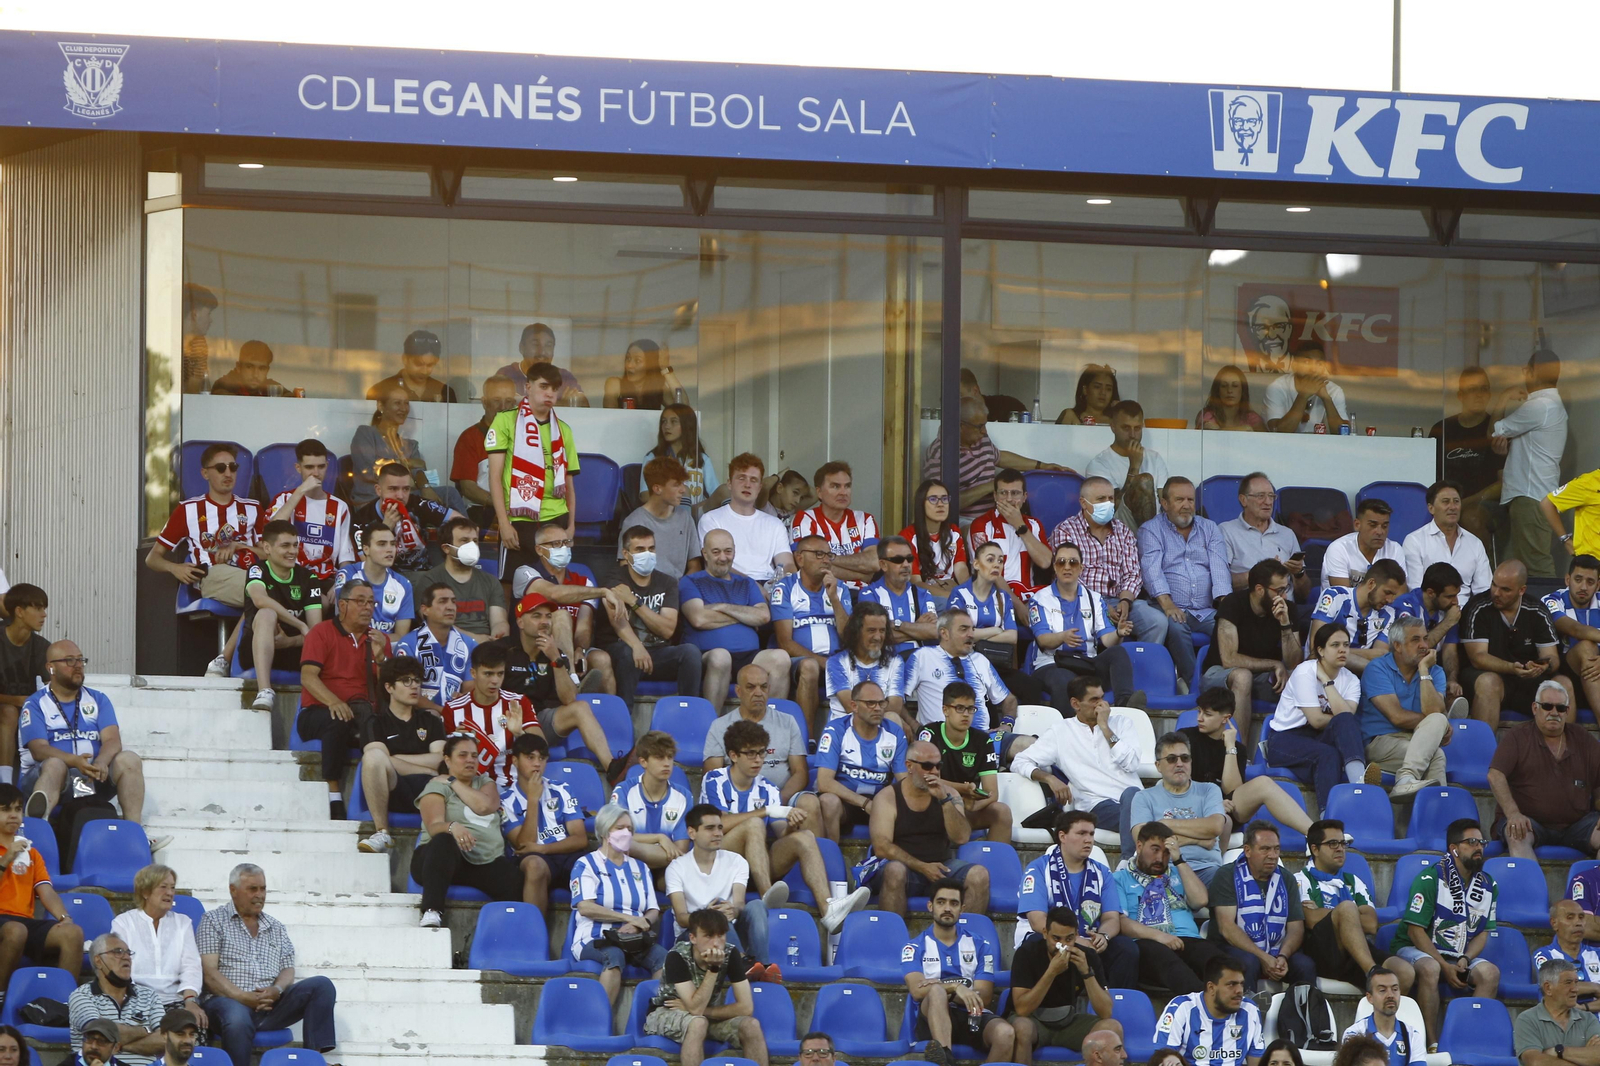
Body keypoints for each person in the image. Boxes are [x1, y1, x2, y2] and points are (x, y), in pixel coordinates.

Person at [698, 719, 866, 931]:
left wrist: (791, 825)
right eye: (750, 753)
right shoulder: (714, 779)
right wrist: (764, 812)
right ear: (733, 755)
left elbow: (781, 834)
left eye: (761, 753)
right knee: (754, 824)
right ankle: (767, 895)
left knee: (804, 836)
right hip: (718, 863)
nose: (757, 759)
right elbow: (718, 824)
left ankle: (829, 908)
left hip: (754, 867)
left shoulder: (768, 788)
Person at [21, 643, 165, 846]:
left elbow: (113, 740)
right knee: (54, 764)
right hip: (52, 778)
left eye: (80, 660)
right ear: (50, 668)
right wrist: (74, 761)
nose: (78, 665)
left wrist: (101, 762)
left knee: (129, 760)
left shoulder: (98, 699)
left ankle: (134, 836)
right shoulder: (36, 703)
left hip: (92, 778)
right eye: (69, 660)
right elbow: (38, 749)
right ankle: (37, 836)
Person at [198, 863, 338, 1066]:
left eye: (263, 888)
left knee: (321, 986)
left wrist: (277, 989)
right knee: (236, 1017)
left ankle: (313, 1060)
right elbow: (209, 973)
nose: (260, 895)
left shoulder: (276, 927)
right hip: (227, 1003)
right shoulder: (213, 920)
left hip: (269, 1006)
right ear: (233, 890)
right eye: (252, 889)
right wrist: (243, 997)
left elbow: (288, 969)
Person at [146, 442, 264, 676]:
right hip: (213, 575)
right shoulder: (189, 510)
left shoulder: (252, 509)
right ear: (205, 473)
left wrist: (239, 545)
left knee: (267, 595)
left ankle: (224, 659)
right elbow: (152, 558)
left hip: (255, 574)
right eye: (220, 468)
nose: (228, 473)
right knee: (266, 592)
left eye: (233, 467)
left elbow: (268, 553)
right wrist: (175, 567)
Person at [1390, 818, 1499, 1046]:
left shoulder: (1489, 885)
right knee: (1430, 968)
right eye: (1472, 842)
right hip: (1414, 948)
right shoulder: (1430, 879)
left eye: (1482, 842)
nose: (1479, 847)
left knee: (1490, 973)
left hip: (1457, 952)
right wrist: (1442, 964)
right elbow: (1415, 931)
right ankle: (1430, 1043)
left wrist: (1465, 958)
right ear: (1454, 849)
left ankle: (1465, 1040)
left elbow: (1482, 933)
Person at [486, 594, 618, 778]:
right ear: (520, 622)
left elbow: (569, 699)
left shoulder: (555, 653)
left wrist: (555, 659)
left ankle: (613, 768)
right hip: (506, 718)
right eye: (537, 616)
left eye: (548, 617)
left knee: (580, 707)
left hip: (540, 718)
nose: (544, 621)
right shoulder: (501, 650)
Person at [858, 739, 991, 917]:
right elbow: (881, 847)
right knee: (894, 871)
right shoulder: (888, 797)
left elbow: (961, 837)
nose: (934, 772)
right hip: (903, 867)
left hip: (941, 865)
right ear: (909, 766)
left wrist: (944, 800)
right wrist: (922, 867)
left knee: (979, 875)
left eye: (938, 766)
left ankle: (969, 939)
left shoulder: (950, 794)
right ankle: (891, 938)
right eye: (928, 766)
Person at [296, 579, 391, 819]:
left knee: (383, 724)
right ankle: (334, 794)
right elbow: (308, 677)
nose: (368, 607)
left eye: (371, 602)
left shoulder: (379, 639)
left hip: (362, 712)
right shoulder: (321, 632)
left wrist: (381, 659)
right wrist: (334, 702)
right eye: (360, 601)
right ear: (342, 605)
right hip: (317, 712)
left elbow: (389, 688)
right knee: (337, 719)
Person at [1049, 477, 1170, 660]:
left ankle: (1141, 671)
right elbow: (1068, 576)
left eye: (1111, 499)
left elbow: (1133, 573)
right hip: (1081, 602)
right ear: (1083, 503)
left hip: (1119, 600)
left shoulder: (1123, 531)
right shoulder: (1066, 531)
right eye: (1100, 499)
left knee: (1157, 622)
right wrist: (1101, 605)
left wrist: (1125, 601)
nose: (1108, 504)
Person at [411, 734, 524, 927]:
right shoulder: (436, 785)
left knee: (514, 876)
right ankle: (431, 911)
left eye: (474, 755)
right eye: (463, 755)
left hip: (483, 861)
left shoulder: (485, 782)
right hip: (439, 860)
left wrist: (453, 781)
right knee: (443, 840)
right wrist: (452, 827)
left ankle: (508, 929)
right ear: (447, 759)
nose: (470, 760)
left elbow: (484, 806)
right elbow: (434, 825)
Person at [902, 878, 1016, 1066]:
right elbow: (917, 990)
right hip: (931, 1018)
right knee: (935, 992)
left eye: (953, 903)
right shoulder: (913, 947)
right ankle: (946, 1058)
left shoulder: (980, 945)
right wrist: (956, 986)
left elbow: (984, 996)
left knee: (1006, 1033)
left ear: (962, 908)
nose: (947, 908)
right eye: (941, 902)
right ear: (930, 906)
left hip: (971, 1015)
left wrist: (950, 991)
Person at [1017, 810, 1134, 986]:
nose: (1089, 840)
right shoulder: (1039, 869)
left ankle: (1115, 1002)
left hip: (1090, 939)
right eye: (1081, 833)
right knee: (1038, 944)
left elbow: (1111, 917)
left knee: (1126, 948)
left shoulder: (1102, 872)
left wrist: (1104, 936)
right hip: (1052, 938)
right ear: (1062, 836)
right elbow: (1037, 920)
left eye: (1092, 834)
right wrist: (1075, 940)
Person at [1112, 822, 1229, 995]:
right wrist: (1161, 936)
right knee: (1168, 961)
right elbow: (1121, 922)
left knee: (1219, 962)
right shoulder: (1120, 878)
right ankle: (1203, 1005)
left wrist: (1179, 860)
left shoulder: (1177, 873)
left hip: (1187, 939)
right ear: (1139, 845)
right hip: (1147, 942)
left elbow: (1201, 900)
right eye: (1154, 849)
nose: (1160, 858)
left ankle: (1240, 1002)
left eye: (1166, 852)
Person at [1180, 687, 1315, 838]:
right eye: (1199, 711)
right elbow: (1179, 782)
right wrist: (1212, 804)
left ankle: (1315, 833)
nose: (1200, 718)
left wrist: (1230, 747)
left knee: (1263, 783)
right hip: (1194, 805)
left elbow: (1232, 789)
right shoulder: (1185, 738)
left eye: (1207, 714)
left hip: (1228, 808)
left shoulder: (1238, 749)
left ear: (1225, 718)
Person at [486, 361, 581, 575]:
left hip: (556, 516)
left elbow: (569, 484)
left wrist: (572, 525)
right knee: (512, 583)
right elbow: (495, 477)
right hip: (520, 518)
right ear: (528, 387)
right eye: (544, 386)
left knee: (554, 581)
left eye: (555, 389)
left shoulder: (563, 430)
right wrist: (503, 522)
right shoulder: (505, 421)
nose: (550, 394)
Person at [1012, 677, 1142, 834]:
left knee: (1135, 801)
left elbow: (1132, 764)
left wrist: (1105, 728)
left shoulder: (1122, 723)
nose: (1102, 705)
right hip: (1096, 804)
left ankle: (1128, 858)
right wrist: (1050, 778)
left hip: (1134, 799)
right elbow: (1020, 761)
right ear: (1075, 704)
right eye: (1094, 700)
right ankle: (1130, 856)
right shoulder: (1061, 731)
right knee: (1140, 819)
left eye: (1102, 698)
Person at [1297, 819, 1415, 991]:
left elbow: (1371, 925)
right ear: (1315, 849)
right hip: (1322, 952)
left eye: (1343, 843)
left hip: (1356, 951)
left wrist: (1341, 917)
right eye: (1332, 843)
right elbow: (1311, 920)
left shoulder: (1354, 882)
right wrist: (1345, 913)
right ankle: (1372, 972)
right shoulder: (1301, 879)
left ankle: (1380, 1015)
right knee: (1347, 907)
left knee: (1404, 972)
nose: (1340, 848)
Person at [569, 803, 669, 1002]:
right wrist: (627, 918)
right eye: (620, 828)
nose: (626, 833)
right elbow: (585, 906)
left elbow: (652, 910)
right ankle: (600, 1021)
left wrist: (641, 923)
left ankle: (656, 1015)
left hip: (634, 938)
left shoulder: (641, 868)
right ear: (605, 831)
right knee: (614, 956)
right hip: (595, 937)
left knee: (665, 958)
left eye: (630, 829)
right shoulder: (586, 864)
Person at [1489, 680, 1600, 859]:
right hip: (1529, 822)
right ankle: (1531, 887)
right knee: (1517, 833)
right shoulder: (1517, 736)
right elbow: (1495, 775)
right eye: (1547, 706)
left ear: (1567, 711)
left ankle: (1595, 887)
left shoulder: (1583, 739)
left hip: (1577, 825)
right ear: (1535, 708)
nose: (1554, 713)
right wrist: (1513, 813)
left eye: (1560, 708)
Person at [1026, 541, 1142, 710]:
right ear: (1054, 567)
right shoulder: (1040, 598)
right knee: (1064, 679)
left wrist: (1119, 633)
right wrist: (1062, 637)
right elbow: (1043, 640)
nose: (1067, 567)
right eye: (1061, 562)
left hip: (1087, 663)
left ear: (1081, 568)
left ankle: (1126, 706)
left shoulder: (1094, 598)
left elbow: (1108, 640)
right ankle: (1066, 732)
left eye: (1073, 562)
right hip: (1052, 664)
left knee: (1118, 651)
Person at [645, 907, 768, 1066]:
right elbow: (695, 1009)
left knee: (751, 1025)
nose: (716, 943)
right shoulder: (677, 955)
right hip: (666, 1012)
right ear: (693, 938)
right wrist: (714, 968)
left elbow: (746, 1007)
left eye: (721, 935)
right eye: (708, 936)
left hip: (703, 1014)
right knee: (697, 1023)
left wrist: (704, 1011)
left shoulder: (730, 953)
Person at [1139, 477, 1232, 685]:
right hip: (1171, 607)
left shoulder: (1209, 528)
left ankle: (1220, 679)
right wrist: (1168, 604)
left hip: (1206, 610)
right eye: (1179, 499)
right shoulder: (1151, 529)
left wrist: (1227, 606)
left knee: (1229, 627)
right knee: (1176, 628)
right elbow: (1151, 570)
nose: (1186, 505)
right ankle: (1194, 685)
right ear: (1165, 504)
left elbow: (1219, 569)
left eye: (1190, 500)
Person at [1264, 625, 1370, 808]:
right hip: (1285, 739)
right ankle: (1330, 816)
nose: (1342, 650)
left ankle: (1358, 785)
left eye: (1346, 644)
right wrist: (1324, 679)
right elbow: (1316, 720)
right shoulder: (1304, 672)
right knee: (1328, 754)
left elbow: (1346, 719)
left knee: (1342, 726)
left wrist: (1327, 683)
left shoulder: (1352, 680)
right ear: (1320, 650)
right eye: (1335, 645)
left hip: (1317, 739)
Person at [1207, 821, 1316, 993]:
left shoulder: (1286, 879)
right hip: (1230, 947)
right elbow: (1226, 927)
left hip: (1276, 950)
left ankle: (1302, 1017)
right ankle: (1244, 1017)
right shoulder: (1227, 875)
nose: (1273, 855)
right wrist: (1263, 957)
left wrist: (1282, 956)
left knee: (1305, 965)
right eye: (1265, 849)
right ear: (1248, 850)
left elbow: (1296, 928)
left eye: (1276, 849)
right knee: (1249, 962)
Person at [683, 529, 791, 700]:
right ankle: (711, 723)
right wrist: (744, 616)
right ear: (704, 553)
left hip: (749, 655)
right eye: (716, 552)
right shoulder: (691, 581)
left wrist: (722, 606)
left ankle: (769, 724)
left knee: (781, 658)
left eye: (728, 551)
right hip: (709, 655)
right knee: (721, 657)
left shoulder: (746, 583)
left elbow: (763, 616)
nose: (723, 557)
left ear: (734, 551)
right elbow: (699, 618)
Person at [1358, 616, 1460, 798]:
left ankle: (1407, 781)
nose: (1424, 645)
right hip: (1380, 741)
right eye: (1415, 640)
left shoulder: (1434, 671)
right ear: (1397, 646)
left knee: (1437, 752)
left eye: (1425, 638)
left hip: (1416, 740)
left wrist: (1423, 671)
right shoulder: (1377, 668)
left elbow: (1434, 711)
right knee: (1436, 735)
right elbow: (1397, 717)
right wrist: (1437, 726)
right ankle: (1437, 816)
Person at [1200, 559, 1302, 740]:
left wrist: (1285, 625)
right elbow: (1229, 660)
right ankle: (1240, 755)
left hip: (1261, 676)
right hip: (1220, 674)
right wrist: (1274, 664)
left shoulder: (1287, 609)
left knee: (1301, 681)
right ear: (1260, 589)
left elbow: (1294, 662)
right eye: (1279, 591)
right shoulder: (1233, 604)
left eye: (1285, 589)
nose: (1284, 597)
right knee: (1242, 676)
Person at [355, 655, 445, 855]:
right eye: (406, 681)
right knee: (373, 757)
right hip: (396, 788)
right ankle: (382, 832)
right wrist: (426, 768)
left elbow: (440, 759)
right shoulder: (375, 722)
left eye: (417, 681)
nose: (414, 687)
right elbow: (378, 762)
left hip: (430, 789)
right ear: (389, 688)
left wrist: (395, 760)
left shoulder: (430, 720)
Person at [666, 806, 773, 975]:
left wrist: (734, 911)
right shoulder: (676, 868)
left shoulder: (737, 861)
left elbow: (739, 903)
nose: (718, 833)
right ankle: (743, 965)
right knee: (718, 919)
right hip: (694, 936)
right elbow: (681, 918)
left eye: (720, 828)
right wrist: (708, 916)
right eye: (710, 828)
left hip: (729, 931)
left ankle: (762, 966)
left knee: (757, 906)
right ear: (692, 833)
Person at [1462, 559, 1567, 729]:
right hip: (1485, 675)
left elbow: (1552, 657)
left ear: (1521, 590)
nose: (1496, 593)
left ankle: (1563, 752)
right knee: (1489, 682)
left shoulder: (1537, 610)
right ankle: (1483, 753)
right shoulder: (1478, 607)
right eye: (1494, 585)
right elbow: (1477, 657)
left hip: (1527, 680)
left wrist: (1542, 667)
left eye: (1505, 589)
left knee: (1563, 683)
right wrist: (1512, 667)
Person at [1008, 905, 1120, 1064]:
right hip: (1034, 1021)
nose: (1062, 945)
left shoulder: (1087, 956)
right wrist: (1051, 972)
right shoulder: (1026, 953)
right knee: (1021, 1028)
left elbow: (1106, 1012)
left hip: (1068, 1022)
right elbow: (1022, 1009)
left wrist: (1087, 973)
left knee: (1112, 1028)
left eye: (1069, 939)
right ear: (1045, 933)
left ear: (1076, 935)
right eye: (1056, 938)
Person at [604, 526, 702, 704]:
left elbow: (667, 629)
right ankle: (625, 719)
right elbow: (617, 622)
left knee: (690, 653)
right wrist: (637, 647)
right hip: (625, 650)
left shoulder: (667, 582)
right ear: (626, 554)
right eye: (640, 549)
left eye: (651, 548)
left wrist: (634, 602)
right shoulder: (615, 579)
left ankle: (688, 712)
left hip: (659, 653)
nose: (647, 554)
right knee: (626, 653)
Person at [510, 522, 613, 689]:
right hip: (534, 648)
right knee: (560, 615)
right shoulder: (525, 573)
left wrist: (580, 649)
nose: (563, 548)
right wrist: (603, 591)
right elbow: (553, 593)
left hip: (571, 649)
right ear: (539, 550)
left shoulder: (583, 582)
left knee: (602, 659)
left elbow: (584, 626)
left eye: (566, 542)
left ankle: (608, 711)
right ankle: (571, 677)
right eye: (555, 544)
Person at [1494, 348, 1568, 578]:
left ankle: (1550, 613)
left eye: (1527, 370)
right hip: (1533, 495)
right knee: (1525, 568)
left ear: (1534, 372)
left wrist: (1504, 397)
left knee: (1537, 569)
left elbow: (1493, 431)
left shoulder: (1541, 406)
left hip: (1531, 497)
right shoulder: (1548, 405)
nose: (1524, 374)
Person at [0, 782, 83, 985]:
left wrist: (65, 917)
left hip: (24, 923)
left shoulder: (32, 853)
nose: (14, 815)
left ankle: (64, 1002)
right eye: (5, 810)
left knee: (73, 933)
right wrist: (6, 858)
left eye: (18, 809)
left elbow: (46, 891)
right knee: (16, 931)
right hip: (6, 923)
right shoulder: (11, 853)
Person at [771, 535, 854, 734]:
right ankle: (806, 738)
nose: (826, 560)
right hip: (801, 662)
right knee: (810, 667)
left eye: (828, 555)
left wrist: (833, 598)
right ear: (799, 558)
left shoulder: (840, 589)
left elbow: (849, 637)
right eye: (818, 554)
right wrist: (823, 662)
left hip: (837, 660)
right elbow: (785, 642)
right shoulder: (785, 588)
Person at [236, 521, 322, 711]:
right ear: (267, 547)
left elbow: (315, 632)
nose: (292, 551)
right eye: (285, 545)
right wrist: (300, 625)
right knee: (266, 614)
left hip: (295, 652)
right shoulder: (257, 570)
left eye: (295, 545)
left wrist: (289, 641)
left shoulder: (308, 578)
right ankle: (264, 691)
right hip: (255, 650)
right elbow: (260, 600)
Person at [949, 540, 1046, 706]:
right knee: (983, 696)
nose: (996, 565)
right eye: (990, 559)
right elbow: (958, 634)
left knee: (1032, 686)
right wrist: (995, 630)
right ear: (976, 564)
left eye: (1000, 561)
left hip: (997, 664)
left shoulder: (1003, 597)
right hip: (966, 665)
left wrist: (976, 636)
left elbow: (1012, 636)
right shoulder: (960, 594)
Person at [499, 732, 586, 914]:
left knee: (592, 864)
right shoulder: (505, 800)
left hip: (564, 853)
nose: (537, 763)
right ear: (515, 761)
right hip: (533, 859)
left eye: (542, 758)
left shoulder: (562, 790)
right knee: (534, 865)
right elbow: (523, 844)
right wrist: (532, 800)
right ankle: (534, 937)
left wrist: (543, 848)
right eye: (530, 757)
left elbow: (580, 839)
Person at [1123, 734, 1226, 883]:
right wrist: (1199, 840)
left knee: (1227, 882)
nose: (1179, 764)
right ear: (1158, 766)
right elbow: (1144, 841)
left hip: (1207, 870)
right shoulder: (1143, 797)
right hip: (1163, 871)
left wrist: (1165, 824)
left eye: (1185, 758)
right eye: (1172, 759)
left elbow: (1215, 827)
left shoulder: (1209, 790)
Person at [111, 865, 206, 1023]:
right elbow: (119, 965)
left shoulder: (182, 922)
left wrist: (190, 1000)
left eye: (172, 888)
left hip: (175, 1000)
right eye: (163, 887)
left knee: (193, 1027)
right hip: (135, 999)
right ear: (145, 892)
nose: (170, 893)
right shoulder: (124, 923)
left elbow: (191, 965)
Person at [817, 680, 909, 841]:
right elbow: (824, 782)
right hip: (845, 800)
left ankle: (888, 860)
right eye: (870, 703)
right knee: (828, 801)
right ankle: (830, 859)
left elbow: (904, 780)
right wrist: (865, 803)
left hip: (880, 801)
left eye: (881, 703)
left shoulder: (894, 733)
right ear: (854, 706)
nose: (878, 708)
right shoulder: (835, 730)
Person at [917, 682, 1009, 844]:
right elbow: (925, 780)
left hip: (966, 806)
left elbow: (992, 792)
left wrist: (973, 806)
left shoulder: (982, 740)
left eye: (970, 709)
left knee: (1001, 811)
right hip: (932, 805)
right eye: (959, 708)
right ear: (945, 710)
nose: (966, 714)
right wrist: (962, 789)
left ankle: (992, 864)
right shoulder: (929, 734)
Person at [704, 666, 812, 801]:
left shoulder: (787, 722)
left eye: (764, 687)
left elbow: (800, 772)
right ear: (738, 691)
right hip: (737, 799)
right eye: (750, 687)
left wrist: (778, 800)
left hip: (782, 798)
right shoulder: (719, 726)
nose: (758, 693)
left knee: (810, 803)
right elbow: (712, 776)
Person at [903, 609, 1017, 732]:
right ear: (944, 633)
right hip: (940, 740)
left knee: (1026, 743)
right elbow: (897, 700)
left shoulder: (980, 660)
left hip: (983, 739)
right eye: (964, 629)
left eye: (972, 629)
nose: (971, 635)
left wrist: (1007, 724)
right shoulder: (923, 656)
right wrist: (915, 727)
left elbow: (1009, 699)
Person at [1430, 367, 1506, 545]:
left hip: (1486, 506)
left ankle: (1483, 570)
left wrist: (1463, 503)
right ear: (1460, 395)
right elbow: (1430, 478)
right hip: (1445, 503)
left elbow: (1504, 484)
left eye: (1484, 389)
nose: (1479, 395)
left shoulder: (1498, 430)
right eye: (1472, 389)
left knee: (1470, 516)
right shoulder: (1441, 429)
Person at [69, 933, 167, 1066]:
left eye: (128, 952)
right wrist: (146, 1030)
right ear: (99, 961)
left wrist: (120, 1046)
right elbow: (99, 1032)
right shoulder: (82, 995)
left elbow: (166, 1039)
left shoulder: (149, 995)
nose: (126, 957)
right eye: (118, 952)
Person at [267, 439, 353, 589]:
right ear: (298, 468)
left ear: (327, 466)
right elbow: (271, 532)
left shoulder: (340, 507)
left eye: (321, 467)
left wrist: (340, 585)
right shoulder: (285, 499)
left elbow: (346, 557)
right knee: (320, 602)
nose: (316, 473)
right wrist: (300, 491)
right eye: (309, 467)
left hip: (328, 579)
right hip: (291, 577)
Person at [698, 454, 795, 583]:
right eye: (741, 478)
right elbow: (715, 564)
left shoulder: (775, 523)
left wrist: (784, 585)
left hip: (768, 585)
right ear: (729, 484)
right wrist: (754, 587)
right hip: (728, 583)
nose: (747, 485)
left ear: (760, 487)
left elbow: (787, 564)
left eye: (753, 480)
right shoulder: (711, 519)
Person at [350, 463, 460, 576]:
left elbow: (462, 523)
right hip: (387, 579)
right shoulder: (361, 519)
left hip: (424, 574)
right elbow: (368, 565)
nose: (400, 496)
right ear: (378, 490)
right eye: (393, 489)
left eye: (406, 489)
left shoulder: (417, 504)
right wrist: (386, 529)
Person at [1153, 956, 1264, 1066]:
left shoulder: (1250, 1011)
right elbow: (1164, 1057)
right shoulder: (1181, 1008)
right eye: (1231, 984)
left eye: (1241, 984)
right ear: (1211, 987)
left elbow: (1257, 1060)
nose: (1239, 991)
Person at [609, 730, 695, 870]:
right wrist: (659, 838)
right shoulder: (624, 791)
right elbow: (615, 836)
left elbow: (680, 852)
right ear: (643, 762)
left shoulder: (684, 796)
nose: (667, 763)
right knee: (621, 842)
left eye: (670, 757)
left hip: (667, 868)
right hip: (629, 865)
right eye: (659, 757)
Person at [414, 517, 510, 641]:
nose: (472, 546)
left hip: (486, 647)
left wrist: (498, 635)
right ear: (446, 548)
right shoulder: (429, 581)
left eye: (475, 541)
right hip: (446, 646)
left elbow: (499, 621)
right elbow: (435, 624)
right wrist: (474, 640)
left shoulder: (491, 581)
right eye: (464, 541)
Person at [1308, 558, 1407, 676]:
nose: (1390, 600)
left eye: (1393, 595)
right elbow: (1317, 649)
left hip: (1362, 677)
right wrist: (1366, 656)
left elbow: (1381, 654)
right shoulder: (1335, 596)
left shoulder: (1388, 614)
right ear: (1371, 583)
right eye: (1387, 592)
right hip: (1323, 672)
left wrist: (1336, 651)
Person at [1221, 473, 1311, 601]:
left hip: (1286, 608)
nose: (1268, 502)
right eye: (1260, 496)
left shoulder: (1287, 534)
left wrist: (1299, 574)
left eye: (1271, 496)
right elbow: (1221, 583)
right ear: (1243, 500)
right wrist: (1263, 574)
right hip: (1249, 610)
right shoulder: (1226, 531)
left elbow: (1304, 595)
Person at [790, 462, 881, 588]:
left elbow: (874, 562)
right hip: (823, 594)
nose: (843, 492)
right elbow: (808, 566)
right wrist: (862, 575)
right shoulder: (805, 519)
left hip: (862, 596)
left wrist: (825, 558)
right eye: (835, 486)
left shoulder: (865, 520)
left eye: (847, 486)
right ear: (819, 492)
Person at [968, 468, 1052, 594]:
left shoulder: (1034, 525)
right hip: (992, 597)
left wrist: (1019, 525)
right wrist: (1016, 605)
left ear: (1024, 497)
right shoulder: (981, 525)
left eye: (1015, 493)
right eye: (1003, 493)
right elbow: (986, 572)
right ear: (995, 496)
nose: (1009, 499)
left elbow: (1045, 562)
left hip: (1029, 596)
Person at [1391, 562, 1467, 702]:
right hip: (1402, 668)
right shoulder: (1406, 605)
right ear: (1431, 593)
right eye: (1450, 596)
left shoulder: (1447, 611)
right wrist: (1448, 622)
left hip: (1432, 668)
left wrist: (1451, 681)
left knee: (1451, 687)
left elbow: (1450, 652)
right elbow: (1413, 647)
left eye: (1456, 595)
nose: (1455, 602)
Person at [1404, 481, 1492, 598]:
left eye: (1456, 501)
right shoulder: (1415, 541)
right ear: (1431, 508)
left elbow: (1484, 591)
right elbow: (1416, 590)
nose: (1452, 507)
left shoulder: (1475, 543)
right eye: (1445, 502)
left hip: (1466, 611)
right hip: (1429, 612)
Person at [349, 382, 431, 508]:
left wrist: (426, 487)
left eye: (406, 403)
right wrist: (408, 462)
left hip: (406, 498)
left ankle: (464, 528)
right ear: (380, 405)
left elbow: (419, 471)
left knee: (450, 493)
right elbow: (368, 472)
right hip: (372, 500)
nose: (404, 408)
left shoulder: (410, 444)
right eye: (397, 403)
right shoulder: (366, 433)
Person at [827, 601, 909, 725]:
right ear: (857, 632)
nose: (877, 637)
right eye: (871, 630)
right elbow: (852, 707)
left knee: (893, 718)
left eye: (882, 631)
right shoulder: (836, 662)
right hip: (845, 730)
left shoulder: (895, 662)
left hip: (882, 731)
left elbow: (895, 706)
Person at [1086, 400, 1167, 527]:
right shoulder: (1099, 464)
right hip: (1118, 528)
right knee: (1144, 480)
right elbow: (1112, 508)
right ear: (1113, 427)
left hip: (1156, 527)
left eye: (1137, 428)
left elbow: (1166, 502)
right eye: (1126, 428)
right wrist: (1134, 467)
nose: (1133, 435)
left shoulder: (1155, 458)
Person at [395, 583, 476, 708]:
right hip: (419, 716)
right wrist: (442, 711)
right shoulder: (408, 644)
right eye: (442, 601)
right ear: (425, 610)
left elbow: (471, 686)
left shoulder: (469, 644)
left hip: (458, 713)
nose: (450, 607)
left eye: (453, 602)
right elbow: (406, 691)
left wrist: (462, 700)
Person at [621, 458, 703, 580]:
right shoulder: (633, 521)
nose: (683, 490)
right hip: (647, 592)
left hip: (679, 591)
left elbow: (695, 566)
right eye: (676, 484)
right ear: (657, 488)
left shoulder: (685, 518)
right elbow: (624, 565)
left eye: (683, 483)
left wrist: (678, 589)